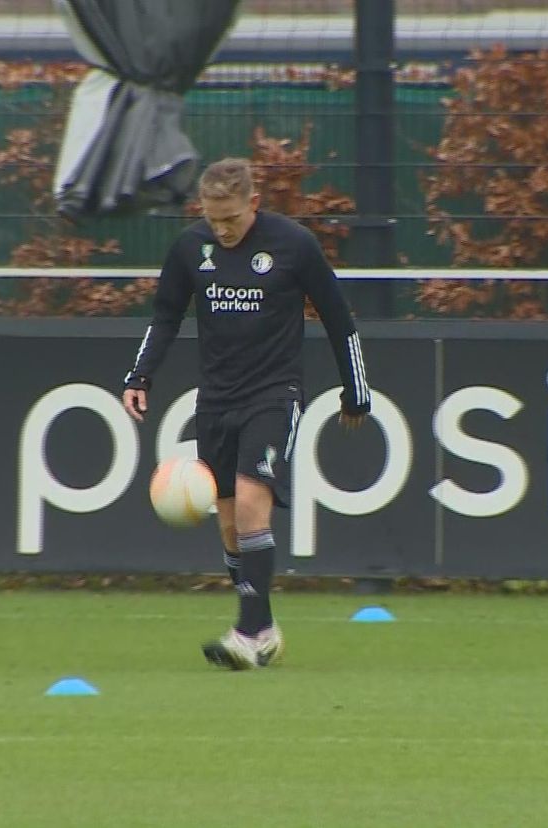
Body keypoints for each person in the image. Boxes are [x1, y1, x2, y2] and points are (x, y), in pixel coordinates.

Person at [122, 157, 370, 670]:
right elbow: (165, 316)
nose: (223, 229)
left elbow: (339, 318)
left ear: (253, 203)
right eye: (214, 220)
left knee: (255, 499)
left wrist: (356, 391)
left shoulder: (293, 245)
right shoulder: (192, 248)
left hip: (274, 395)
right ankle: (264, 627)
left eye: (232, 219)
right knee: (232, 523)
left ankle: (247, 633)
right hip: (215, 401)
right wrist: (139, 376)